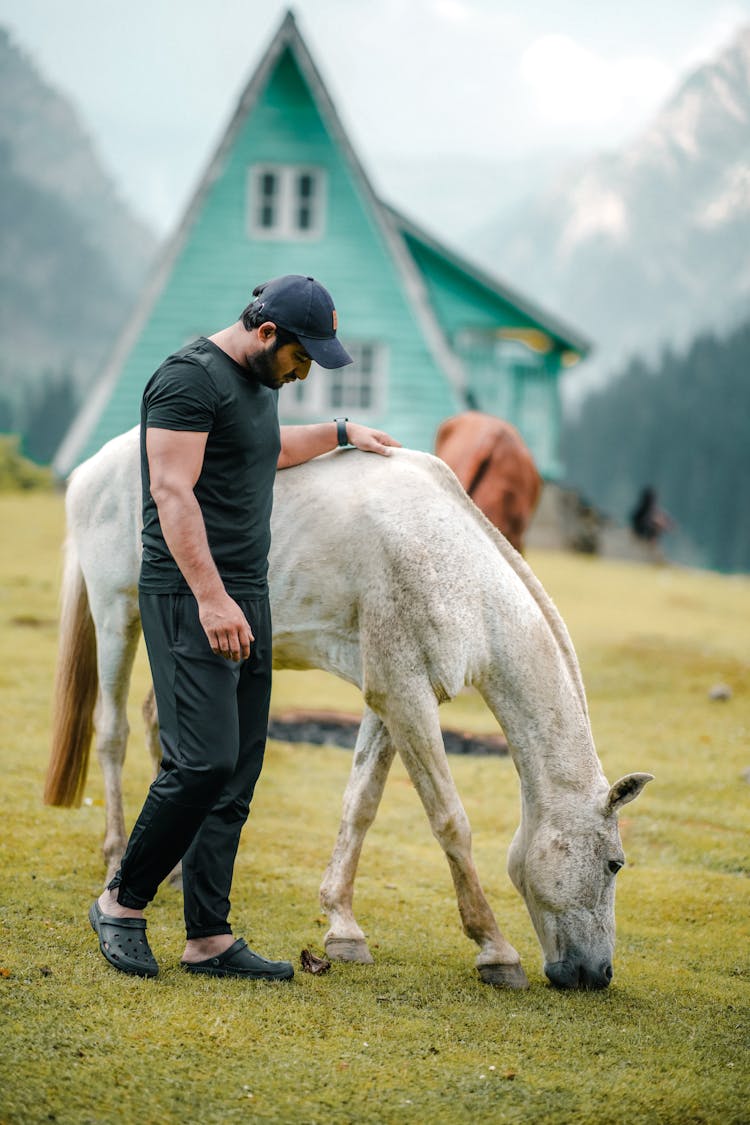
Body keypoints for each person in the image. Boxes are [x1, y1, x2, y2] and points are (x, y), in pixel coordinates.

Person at [89, 275, 401, 980]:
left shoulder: (257, 386)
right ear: (266, 335)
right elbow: (171, 490)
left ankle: (208, 936)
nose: (305, 371)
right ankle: (121, 901)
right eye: (302, 357)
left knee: (235, 772)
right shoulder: (185, 380)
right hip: (188, 594)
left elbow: (262, 449)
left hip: (247, 596)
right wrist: (211, 596)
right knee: (199, 760)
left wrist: (342, 433)